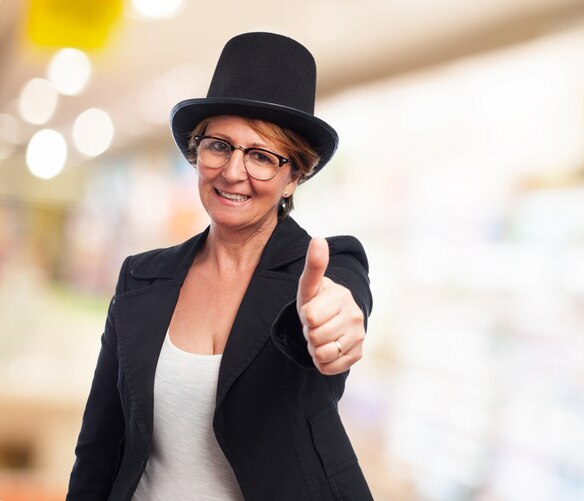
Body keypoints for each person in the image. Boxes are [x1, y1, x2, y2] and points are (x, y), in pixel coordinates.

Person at [67, 32, 373, 501]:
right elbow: (100, 445)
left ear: (295, 175)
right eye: (219, 145)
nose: (232, 172)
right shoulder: (141, 277)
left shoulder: (323, 271)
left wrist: (338, 324)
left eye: (261, 156)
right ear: (197, 152)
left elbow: (343, 299)